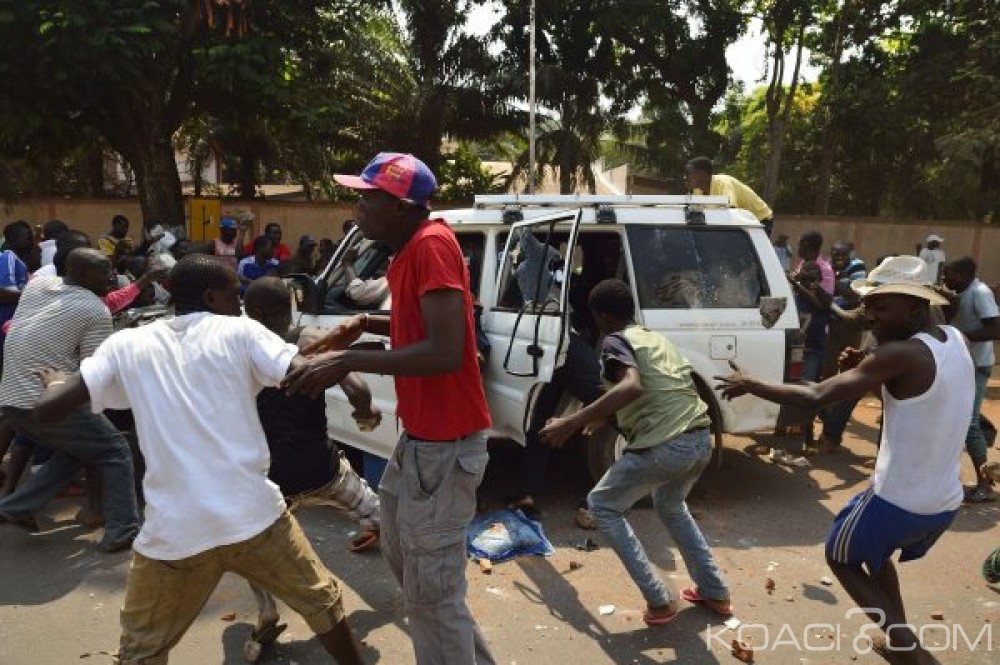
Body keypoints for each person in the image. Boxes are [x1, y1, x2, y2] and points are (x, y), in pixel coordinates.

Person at [31, 255, 363, 664]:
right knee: (321, 603)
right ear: (210, 296)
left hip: (175, 534)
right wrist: (343, 367)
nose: (240, 305)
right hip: (255, 517)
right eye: (234, 295)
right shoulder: (241, 332)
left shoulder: (126, 343)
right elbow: (299, 373)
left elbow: (50, 409)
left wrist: (55, 382)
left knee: (142, 646)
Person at [286, 152, 495, 665]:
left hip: (445, 446)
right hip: (420, 441)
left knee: (432, 595)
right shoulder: (406, 252)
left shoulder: (431, 246)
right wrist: (362, 324)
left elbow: (448, 350)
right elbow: (418, 325)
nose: (358, 206)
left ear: (400, 206)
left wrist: (349, 360)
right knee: (406, 560)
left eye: (366, 197)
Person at [717, 255, 972, 664]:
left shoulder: (899, 355)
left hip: (898, 500)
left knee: (840, 555)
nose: (870, 317)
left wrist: (751, 383)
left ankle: (914, 654)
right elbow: (917, 402)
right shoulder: (952, 340)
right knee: (873, 555)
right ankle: (900, 644)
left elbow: (816, 397)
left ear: (915, 305)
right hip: (942, 502)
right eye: (869, 305)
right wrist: (872, 376)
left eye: (880, 307)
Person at [539, 279, 731, 626]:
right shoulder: (652, 337)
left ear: (601, 316)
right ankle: (715, 591)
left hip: (669, 444)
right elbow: (655, 389)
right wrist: (603, 418)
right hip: (700, 437)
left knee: (602, 506)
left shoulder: (614, 340)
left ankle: (659, 600)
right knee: (671, 505)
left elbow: (632, 385)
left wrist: (571, 422)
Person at [241, 277, 381, 662]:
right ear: (289, 304)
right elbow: (358, 390)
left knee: (254, 549)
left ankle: (267, 610)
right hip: (321, 468)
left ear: (250, 312)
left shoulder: (235, 348)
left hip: (268, 479)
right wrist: (366, 417)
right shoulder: (309, 340)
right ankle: (416, 585)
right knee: (378, 514)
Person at [0, 248, 140, 553]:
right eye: (103, 271)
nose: (111, 277)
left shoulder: (38, 286)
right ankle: (123, 530)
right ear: (79, 273)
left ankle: (16, 506)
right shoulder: (94, 310)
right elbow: (93, 373)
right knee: (115, 449)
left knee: (81, 450)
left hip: (11, 398)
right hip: (43, 397)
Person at [942, 257, 999, 503]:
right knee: (954, 420)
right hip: (962, 363)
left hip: (977, 365)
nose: (945, 279)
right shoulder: (959, 293)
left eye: (950, 274)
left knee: (969, 423)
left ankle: (985, 484)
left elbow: (996, 329)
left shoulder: (979, 292)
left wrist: (960, 336)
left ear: (965, 274)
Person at [685, 156, 773, 236]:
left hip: (760, 219)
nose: (686, 177)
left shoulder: (724, 182)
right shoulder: (697, 191)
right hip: (742, 223)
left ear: (703, 175)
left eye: (690, 174)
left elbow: (731, 212)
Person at [792, 231, 835, 295]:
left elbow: (825, 301)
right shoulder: (804, 262)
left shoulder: (825, 269)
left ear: (805, 245)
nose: (798, 248)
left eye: (799, 244)